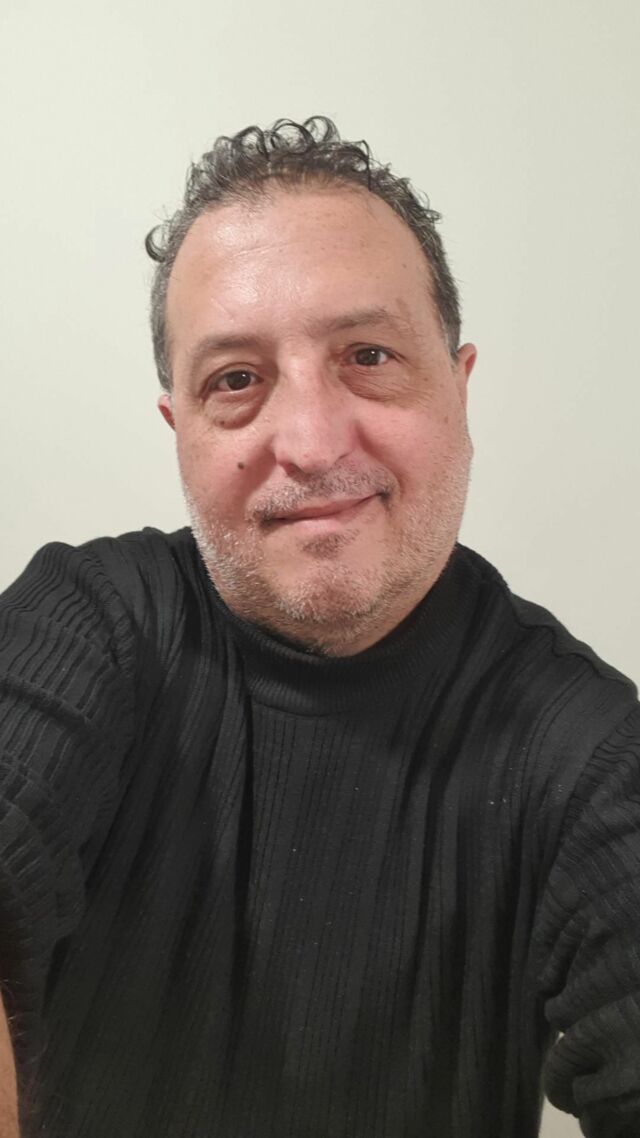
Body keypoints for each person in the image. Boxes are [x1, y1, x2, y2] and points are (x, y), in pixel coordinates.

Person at [0, 116, 638, 1138]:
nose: (308, 442)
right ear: (180, 429)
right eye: (236, 379)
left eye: (368, 355)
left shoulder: (588, 749)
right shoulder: (90, 621)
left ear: (459, 388)